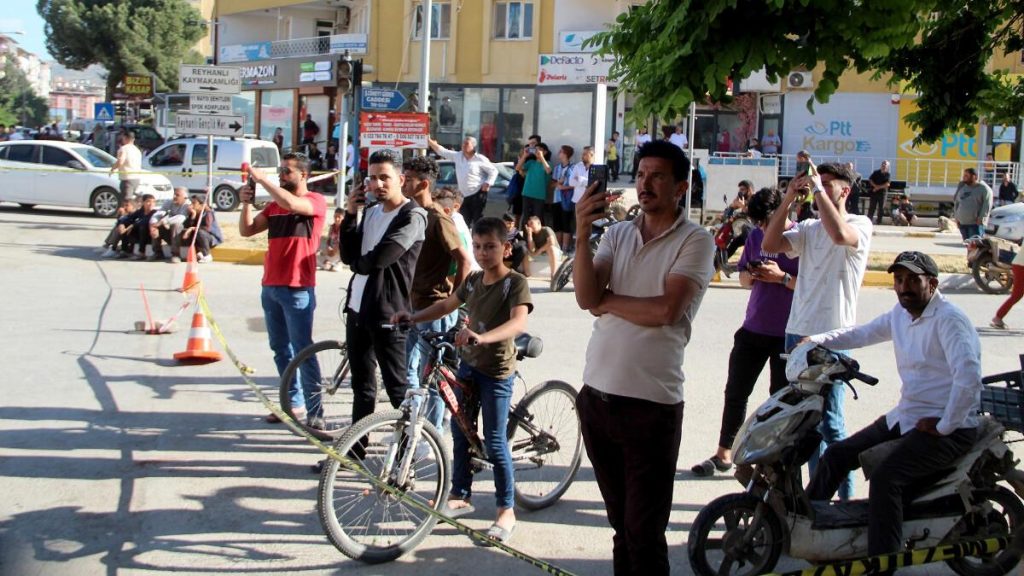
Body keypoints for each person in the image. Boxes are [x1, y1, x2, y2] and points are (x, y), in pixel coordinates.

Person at [573, 139, 714, 574]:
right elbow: (585, 297)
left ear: (680, 187)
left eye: (657, 176)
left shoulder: (696, 240)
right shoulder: (616, 233)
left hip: (651, 407)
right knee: (621, 527)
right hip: (596, 399)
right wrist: (581, 235)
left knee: (644, 531)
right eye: (640, 175)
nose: (645, 184)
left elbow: (666, 311)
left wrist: (609, 300)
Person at [805, 251, 982, 560]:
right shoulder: (900, 315)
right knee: (836, 455)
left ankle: (882, 562)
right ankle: (802, 528)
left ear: (932, 283)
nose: (904, 287)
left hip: (948, 427)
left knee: (887, 479)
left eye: (913, 280)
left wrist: (943, 426)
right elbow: (862, 333)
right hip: (907, 415)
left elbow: (968, 379)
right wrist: (816, 341)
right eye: (899, 280)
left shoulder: (949, 321)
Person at [391, 216, 533, 546]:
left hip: (496, 371)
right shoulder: (472, 281)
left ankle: (505, 510)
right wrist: (413, 317)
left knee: (495, 441)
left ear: (506, 248)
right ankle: (460, 495)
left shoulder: (515, 283)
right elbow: (447, 304)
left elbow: (518, 324)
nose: (483, 253)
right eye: (479, 247)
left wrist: (481, 339)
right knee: (460, 430)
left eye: (491, 247)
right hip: (469, 365)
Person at [762, 162, 872, 502]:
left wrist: (818, 190)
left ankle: (843, 500)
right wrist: (789, 198)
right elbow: (771, 242)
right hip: (797, 334)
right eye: (817, 182)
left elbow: (839, 235)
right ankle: (813, 499)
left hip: (832, 337)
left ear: (845, 191)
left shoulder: (859, 225)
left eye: (827, 183)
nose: (818, 187)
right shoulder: (809, 227)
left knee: (831, 424)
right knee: (803, 424)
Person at [691, 187, 798, 477]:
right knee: (736, 392)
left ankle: (771, 461)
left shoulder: (801, 237)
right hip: (753, 328)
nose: (763, 228)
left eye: (766, 221)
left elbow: (810, 286)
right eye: (759, 223)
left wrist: (782, 277)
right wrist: (752, 274)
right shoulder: (754, 237)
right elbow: (743, 281)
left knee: (779, 398)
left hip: (787, 334)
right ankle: (724, 454)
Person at [239, 153, 328, 428]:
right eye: (280, 170)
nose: (281, 174)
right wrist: (245, 203)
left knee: (303, 350)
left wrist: (263, 179)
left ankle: (316, 411)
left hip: (298, 287)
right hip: (271, 286)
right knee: (280, 348)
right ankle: (293, 402)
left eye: (287, 171)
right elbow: (247, 230)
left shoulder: (314, 201)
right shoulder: (273, 207)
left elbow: (291, 202)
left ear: (304, 175)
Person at [340, 149, 426, 428]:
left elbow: (380, 259)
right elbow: (347, 255)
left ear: (401, 179)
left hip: (388, 314)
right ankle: (355, 453)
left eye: (384, 178)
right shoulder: (372, 212)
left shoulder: (412, 216)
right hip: (357, 309)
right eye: (372, 178)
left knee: (397, 391)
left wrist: (356, 262)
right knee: (362, 387)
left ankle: (406, 460)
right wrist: (351, 214)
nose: (377, 184)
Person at [402, 155, 472, 432]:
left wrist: (454, 303)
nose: (403, 183)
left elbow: (464, 260)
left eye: (408, 179)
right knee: (409, 373)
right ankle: (411, 426)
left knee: (432, 377)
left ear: (424, 184)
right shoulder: (409, 214)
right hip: (411, 307)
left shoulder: (438, 220)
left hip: (435, 308)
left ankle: (431, 434)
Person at [427, 135, 498, 225]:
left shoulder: (480, 159)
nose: (464, 145)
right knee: (464, 221)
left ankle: (476, 238)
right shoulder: (458, 156)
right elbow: (442, 151)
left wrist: (488, 183)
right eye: (463, 143)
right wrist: (430, 141)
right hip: (463, 195)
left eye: (466, 144)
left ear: (473, 146)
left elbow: (493, 170)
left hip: (477, 193)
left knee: (478, 221)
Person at [516, 141, 552, 228]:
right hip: (527, 193)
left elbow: (548, 170)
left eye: (540, 150)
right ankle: (525, 238)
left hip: (539, 196)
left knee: (537, 219)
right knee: (526, 218)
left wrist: (542, 157)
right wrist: (525, 155)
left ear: (545, 152)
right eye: (536, 150)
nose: (537, 152)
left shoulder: (547, 163)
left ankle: (537, 239)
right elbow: (518, 168)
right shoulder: (531, 162)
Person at [149, 187, 191, 261]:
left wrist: (163, 222)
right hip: (169, 230)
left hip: (183, 234)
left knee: (176, 225)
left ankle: (176, 254)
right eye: (174, 194)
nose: (174, 197)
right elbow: (159, 213)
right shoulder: (169, 202)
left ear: (185, 197)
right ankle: (157, 253)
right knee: (155, 226)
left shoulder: (187, 205)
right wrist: (153, 224)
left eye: (177, 195)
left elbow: (181, 218)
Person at [953, 167, 994, 240]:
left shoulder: (984, 189)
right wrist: (956, 217)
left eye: (966, 176)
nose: (964, 178)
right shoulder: (962, 186)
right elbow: (957, 202)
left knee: (976, 246)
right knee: (968, 246)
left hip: (975, 224)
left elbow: (986, 205)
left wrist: (981, 219)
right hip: (962, 223)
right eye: (964, 176)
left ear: (974, 176)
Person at [179, 194, 222, 263]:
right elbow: (186, 226)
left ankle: (207, 255)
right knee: (185, 231)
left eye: (194, 203)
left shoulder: (208, 213)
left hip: (210, 238)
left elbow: (206, 228)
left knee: (200, 232)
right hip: (199, 237)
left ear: (202, 205)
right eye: (191, 203)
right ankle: (198, 254)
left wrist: (192, 228)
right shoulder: (193, 213)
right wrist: (193, 216)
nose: (191, 205)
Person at [991, 247, 1024, 329]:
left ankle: (998, 317)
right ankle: (998, 317)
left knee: (1017, 295)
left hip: (1019, 264)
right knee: (1016, 295)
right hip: (1021, 266)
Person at [551, 145, 576, 252]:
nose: (558, 153)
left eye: (561, 151)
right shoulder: (557, 168)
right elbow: (552, 184)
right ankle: (558, 247)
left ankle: (565, 247)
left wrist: (564, 187)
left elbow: (576, 184)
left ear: (566, 154)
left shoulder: (573, 168)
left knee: (566, 223)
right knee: (557, 224)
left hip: (567, 199)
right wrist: (558, 183)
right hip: (556, 199)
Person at [523, 215, 561, 281]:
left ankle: (553, 275)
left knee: (551, 248)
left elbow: (552, 242)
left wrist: (539, 251)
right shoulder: (530, 233)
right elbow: (532, 249)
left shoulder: (546, 229)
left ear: (539, 223)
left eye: (532, 223)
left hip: (554, 253)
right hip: (540, 254)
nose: (530, 226)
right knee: (525, 251)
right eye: (528, 224)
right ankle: (527, 274)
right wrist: (529, 235)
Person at [109, 130, 142, 201]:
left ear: (125, 138)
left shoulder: (124, 149)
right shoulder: (137, 150)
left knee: (126, 201)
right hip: (136, 178)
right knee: (131, 200)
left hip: (127, 178)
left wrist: (113, 169)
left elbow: (120, 162)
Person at [866, 160, 891, 225]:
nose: (884, 165)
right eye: (883, 163)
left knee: (881, 208)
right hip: (874, 193)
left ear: (888, 166)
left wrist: (877, 188)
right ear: (881, 165)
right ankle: (869, 221)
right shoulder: (876, 172)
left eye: (885, 164)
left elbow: (887, 184)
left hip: (882, 194)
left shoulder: (888, 174)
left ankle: (878, 221)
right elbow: (870, 180)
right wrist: (875, 186)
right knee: (872, 207)